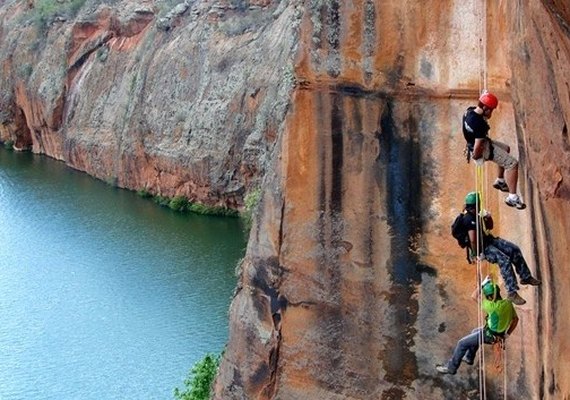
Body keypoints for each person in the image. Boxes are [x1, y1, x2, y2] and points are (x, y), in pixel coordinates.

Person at [461, 191, 541, 305]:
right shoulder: (469, 219)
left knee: (514, 249)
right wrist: (478, 253)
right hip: (481, 248)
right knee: (504, 260)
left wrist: (487, 217)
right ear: (476, 204)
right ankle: (512, 292)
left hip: (488, 240)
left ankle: (525, 276)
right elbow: (473, 240)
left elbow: (489, 227)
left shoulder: (477, 214)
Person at [436, 278, 518, 374]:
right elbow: (515, 320)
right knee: (475, 332)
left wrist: (482, 285)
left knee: (461, 344)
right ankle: (469, 357)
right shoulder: (508, 303)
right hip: (499, 333)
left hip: (489, 335)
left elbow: (474, 296)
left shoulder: (491, 307)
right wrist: (507, 334)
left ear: (490, 298)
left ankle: (451, 368)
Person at [462, 92, 526, 210]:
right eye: (490, 110)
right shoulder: (479, 124)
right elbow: (478, 145)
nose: (491, 113)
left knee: (506, 149)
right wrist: (477, 156)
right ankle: (512, 197)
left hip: (478, 144)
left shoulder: (469, 112)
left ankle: (500, 180)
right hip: (482, 148)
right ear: (485, 108)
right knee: (512, 164)